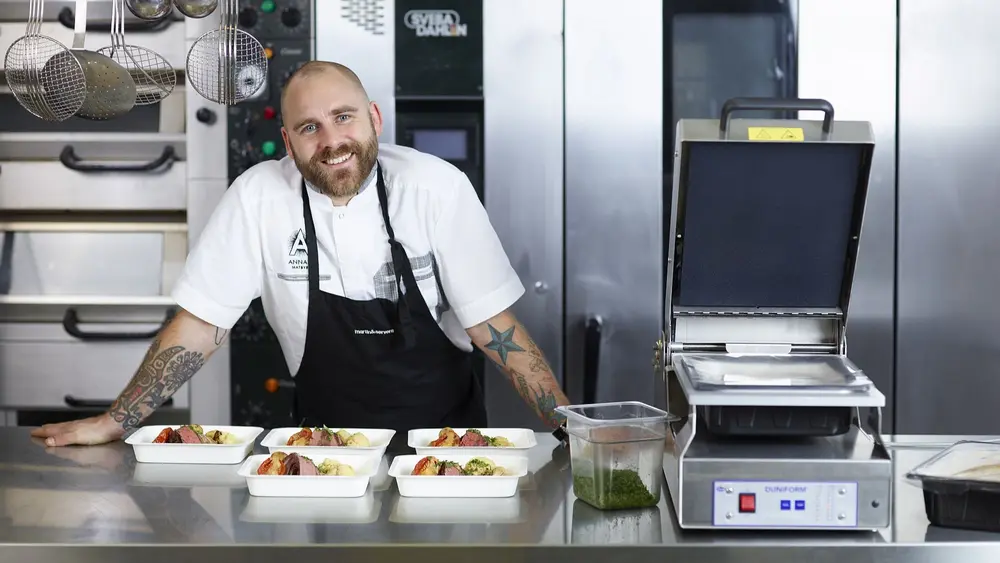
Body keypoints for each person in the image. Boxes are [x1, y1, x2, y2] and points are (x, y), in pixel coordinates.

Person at [32, 61, 570, 448]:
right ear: (288, 143)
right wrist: (117, 421)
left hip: (447, 450)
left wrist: (570, 428)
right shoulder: (258, 196)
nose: (332, 140)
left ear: (375, 120)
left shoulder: (436, 188)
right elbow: (201, 326)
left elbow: (491, 326)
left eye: (344, 117)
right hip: (321, 456)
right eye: (310, 127)